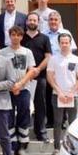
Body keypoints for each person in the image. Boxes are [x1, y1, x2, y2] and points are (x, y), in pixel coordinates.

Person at [0, 26, 37, 155]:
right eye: (13, 35)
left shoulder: (27, 52)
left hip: (24, 88)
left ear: (21, 37)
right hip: (8, 89)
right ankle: (12, 144)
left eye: (18, 35)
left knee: (24, 113)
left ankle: (22, 144)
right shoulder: (3, 52)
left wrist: (20, 84)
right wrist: (11, 86)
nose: (15, 37)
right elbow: (0, 71)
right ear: (9, 36)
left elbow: (32, 70)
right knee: (8, 115)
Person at [47, 33, 78, 155]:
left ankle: (72, 147)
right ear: (59, 44)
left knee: (72, 122)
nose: (64, 45)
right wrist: (59, 92)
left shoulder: (76, 59)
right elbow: (50, 77)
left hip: (72, 96)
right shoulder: (53, 59)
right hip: (57, 95)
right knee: (57, 122)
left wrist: (72, 92)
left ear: (70, 43)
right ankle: (57, 148)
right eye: (62, 42)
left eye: (66, 42)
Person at [21, 12, 52, 143]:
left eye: (34, 20)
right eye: (30, 20)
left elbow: (48, 57)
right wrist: (28, 72)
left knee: (40, 105)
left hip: (40, 77)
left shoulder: (44, 38)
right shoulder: (21, 37)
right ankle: (23, 132)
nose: (32, 22)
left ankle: (41, 132)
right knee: (24, 105)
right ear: (26, 22)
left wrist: (38, 69)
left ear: (38, 22)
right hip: (24, 77)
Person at [44, 10, 76, 128]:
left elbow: (71, 51)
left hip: (63, 69)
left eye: (55, 20)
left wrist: (70, 69)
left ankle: (64, 120)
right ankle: (51, 120)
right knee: (49, 96)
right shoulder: (44, 34)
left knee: (65, 93)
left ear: (59, 21)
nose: (53, 22)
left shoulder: (66, 33)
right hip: (50, 69)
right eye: (51, 20)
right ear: (48, 22)